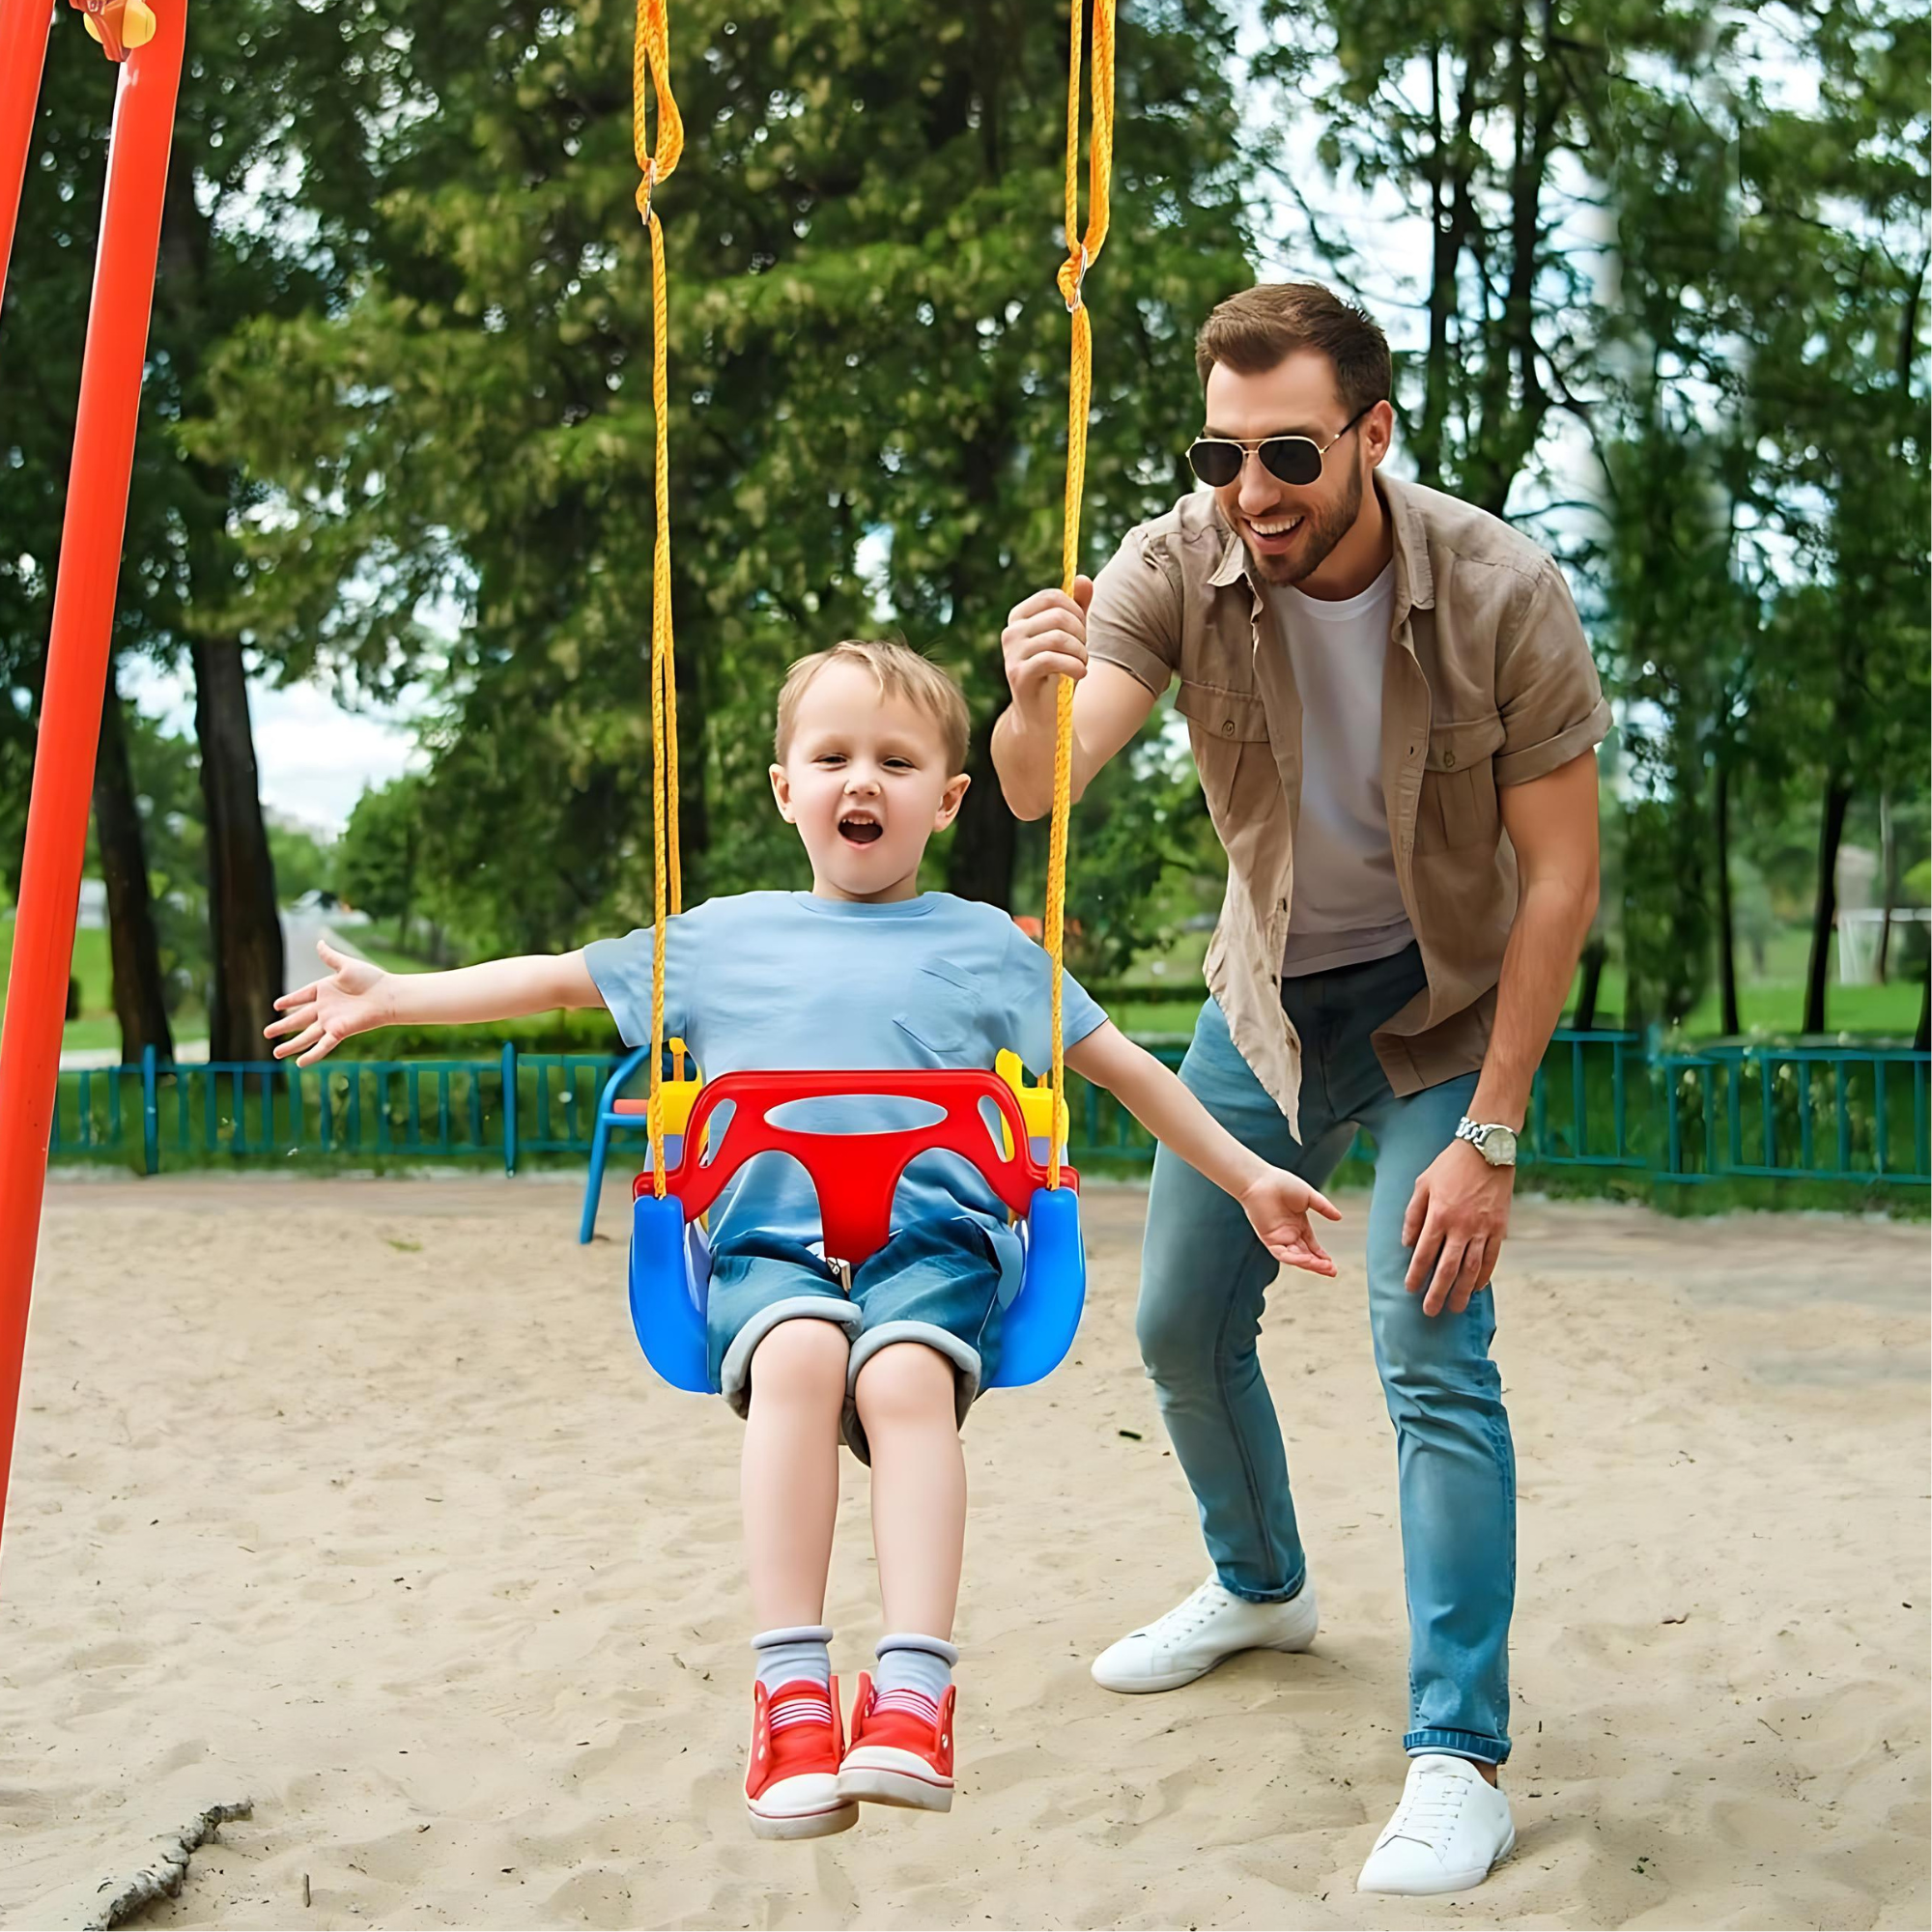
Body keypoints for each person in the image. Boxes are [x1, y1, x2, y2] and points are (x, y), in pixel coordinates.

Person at [267, 639, 1344, 1842]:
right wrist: (397, 994)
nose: (858, 780)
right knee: (796, 1358)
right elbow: (559, 979)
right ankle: (789, 1690)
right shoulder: (720, 937)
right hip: (767, 1235)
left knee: (900, 1375)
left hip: (934, 1234)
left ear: (945, 797)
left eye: (894, 758)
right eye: (829, 756)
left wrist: (1249, 1174)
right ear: (786, 787)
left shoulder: (986, 945)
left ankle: (914, 1689)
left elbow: (1128, 1069)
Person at [991, 283, 1608, 1896]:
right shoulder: (1174, 562)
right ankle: (1260, 1583)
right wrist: (1024, 689)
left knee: (1426, 1342)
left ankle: (1458, 1752)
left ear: (1370, 434)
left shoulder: (1499, 588)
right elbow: (1047, 778)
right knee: (1177, 1321)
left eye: (1286, 452)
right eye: (1221, 451)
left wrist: (1491, 1133)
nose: (1251, 490)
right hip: (1265, 1004)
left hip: (1445, 1012)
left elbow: (1559, 880)